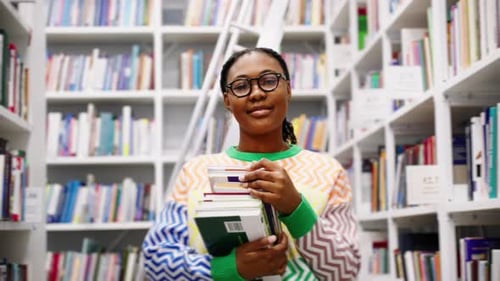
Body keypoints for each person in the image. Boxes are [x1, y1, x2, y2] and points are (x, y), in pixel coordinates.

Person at [142, 47, 360, 280]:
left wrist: (295, 207)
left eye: (268, 80)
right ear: (227, 99)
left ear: (288, 89)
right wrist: (229, 268)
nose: (256, 93)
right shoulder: (195, 172)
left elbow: (345, 271)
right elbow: (156, 259)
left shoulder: (327, 171)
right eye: (241, 86)